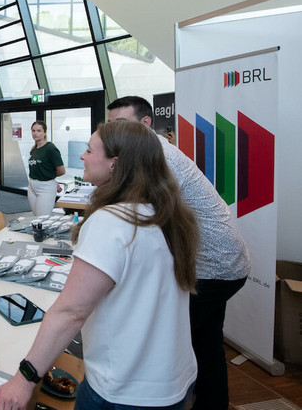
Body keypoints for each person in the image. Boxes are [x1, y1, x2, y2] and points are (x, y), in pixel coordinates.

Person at [0, 121, 199, 410]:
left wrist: (24, 378)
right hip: (172, 381)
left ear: (115, 164)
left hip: (124, 391)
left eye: (90, 151)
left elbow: (71, 313)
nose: (83, 156)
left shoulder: (111, 221)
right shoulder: (168, 215)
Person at [107, 96, 250, 410]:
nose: (113, 134)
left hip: (214, 265)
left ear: (145, 124)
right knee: (206, 341)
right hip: (222, 263)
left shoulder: (157, 156)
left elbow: (137, 212)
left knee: (169, 342)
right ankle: (212, 403)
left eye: (120, 125)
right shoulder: (150, 153)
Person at [26, 120, 65, 216]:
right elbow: (42, 168)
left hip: (45, 188)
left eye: (39, 131)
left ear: (45, 133)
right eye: (33, 131)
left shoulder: (50, 148)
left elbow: (61, 171)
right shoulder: (34, 149)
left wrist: (50, 178)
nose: (35, 133)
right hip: (32, 186)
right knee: (36, 219)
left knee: (42, 220)